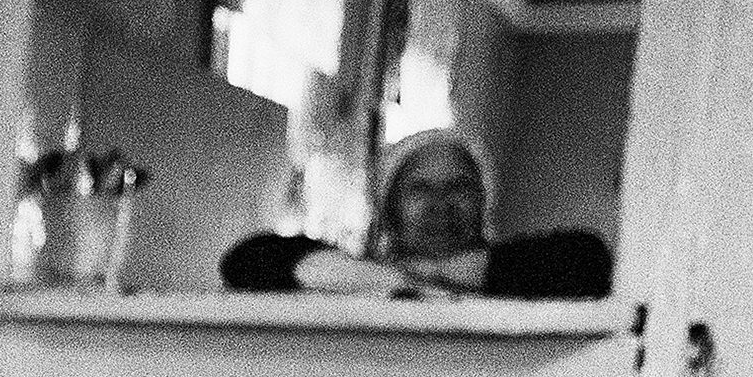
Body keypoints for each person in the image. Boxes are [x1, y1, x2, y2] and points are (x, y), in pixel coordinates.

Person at [220, 128, 613, 299]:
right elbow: (246, 259)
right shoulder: (356, 275)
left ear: (483, 202)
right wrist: (379, 278)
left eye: (460, 187)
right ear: (389, 206)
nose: (440, 204)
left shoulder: (523, 272)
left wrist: (437, 274)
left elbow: (588, 259)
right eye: (419, 189)